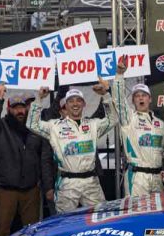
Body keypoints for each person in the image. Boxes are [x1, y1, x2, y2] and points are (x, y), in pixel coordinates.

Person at [27, 85, 117, 213]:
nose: (75, 104)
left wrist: (105, 95)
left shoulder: (93, 124)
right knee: (64, 223)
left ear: (84, 104)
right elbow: (32, 124)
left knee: (99, 219)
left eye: (78, 100)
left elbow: (113, 119)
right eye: (71, 101)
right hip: (67, 184)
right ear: (66, 106)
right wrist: (39, 99)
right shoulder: (55, 126)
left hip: (91, 182)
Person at [0, 86, 53, 236]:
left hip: (30, 188)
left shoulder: (34, 128)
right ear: (8, 109)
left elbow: (43, 158)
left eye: (22, 107)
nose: (20, 111)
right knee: (2, 227)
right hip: (5, 188)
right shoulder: (0, 126)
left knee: (32, 229)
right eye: (15, 107)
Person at [110, 62, 164, 197]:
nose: (140, 97)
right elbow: (118, 100)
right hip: (137, 177)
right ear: (133, 101)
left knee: (158, 215)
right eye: (137, 95)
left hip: (157, 177)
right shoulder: (129, 118)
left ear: (150, 99)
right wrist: (119, 75)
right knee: (137, 212)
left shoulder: (160, 124)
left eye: (144, 95)